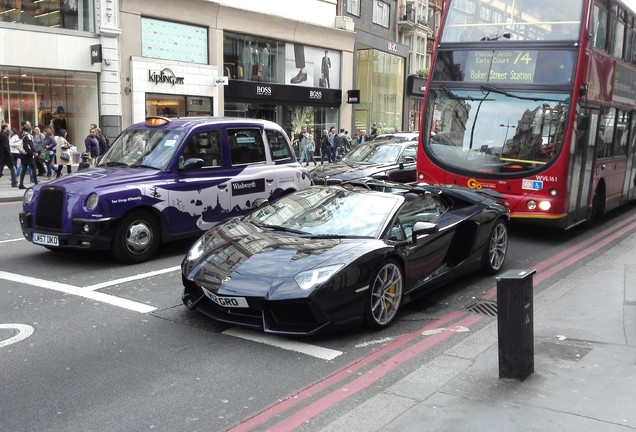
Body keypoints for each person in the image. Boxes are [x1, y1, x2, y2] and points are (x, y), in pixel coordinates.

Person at [18, 123, 38, 189]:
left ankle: (21, 184)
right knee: (33, 167)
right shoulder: (26, 136)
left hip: (23, 155)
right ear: (29, 130)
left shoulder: (22, 135)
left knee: (24, 168)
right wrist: (32, 153)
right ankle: (36, 183)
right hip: (27, 155)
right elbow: (26, 146)